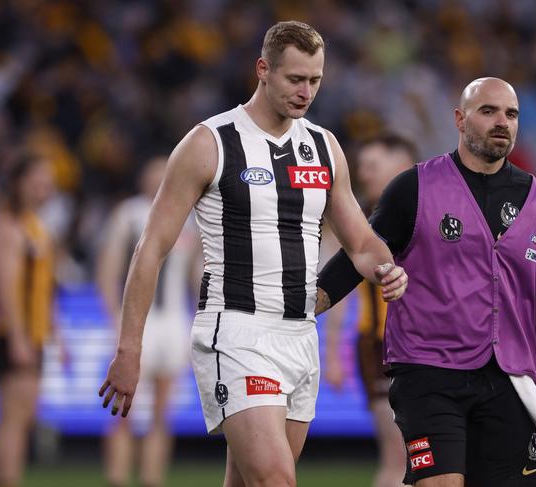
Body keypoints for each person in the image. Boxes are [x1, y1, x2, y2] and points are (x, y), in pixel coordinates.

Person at [98, 21, 408, 487]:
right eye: (295, 79)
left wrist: (387, 268)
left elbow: (360, 242)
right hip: (236, 330)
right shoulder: (210, 142)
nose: (306, 92)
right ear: (263, 70)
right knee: (276, 480)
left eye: (315, 80)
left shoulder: (323, 147)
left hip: (301, 335)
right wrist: (129, 348)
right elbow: (152, 247)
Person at [317, 77, 536, 487]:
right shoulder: (414, 187)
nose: (502, 121)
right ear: (460, 120)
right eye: (488, 111)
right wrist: (303, 306)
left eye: (511, 114)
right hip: (428, 373)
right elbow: (358, 254)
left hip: (510, 379)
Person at [96, 156, 202, 487]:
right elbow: (108, 271)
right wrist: (117, 319)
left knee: (161, 412)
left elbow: (196, 275)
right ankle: (117, 477)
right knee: (122, 413)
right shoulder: (129, 214)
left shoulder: (189, 219)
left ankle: (152, 478)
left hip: (173, 322)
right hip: (138, 322)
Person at [323, 134, 418, 487]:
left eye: (372, 166)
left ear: (402, 166)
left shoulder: (427, 214)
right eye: (362, 167)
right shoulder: (356, 221)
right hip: (380, 348)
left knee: (424, 460)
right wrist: (332, 354)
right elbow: (336, 291)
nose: (363, 175)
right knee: (398, 459)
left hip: (427, 349)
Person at [0, 154, 58, 487]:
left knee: (19, 417)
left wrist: (54, 333)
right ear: (19, 183)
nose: (45, 186)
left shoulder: (35, 226)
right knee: (14, 420)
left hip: (34, 335)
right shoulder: (10, 227)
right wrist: (17, 339)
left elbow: (43, 289)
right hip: (19, 336)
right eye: (37, 179)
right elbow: (4, 287)